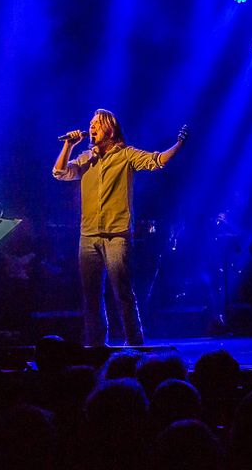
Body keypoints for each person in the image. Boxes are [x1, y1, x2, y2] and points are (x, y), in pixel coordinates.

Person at [53, 110, 188, 347]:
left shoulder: (126, 155)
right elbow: (59, 172)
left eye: (97, 123)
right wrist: (69, 145)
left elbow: (157, 161)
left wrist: (178, 144)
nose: (92, 126)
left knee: (122, 293)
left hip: (117, 235)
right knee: (91, 296)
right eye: (91, 123)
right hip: (88, 236)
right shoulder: (86, 158)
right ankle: (96, 346)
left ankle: (134, 344)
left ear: (110, 130)